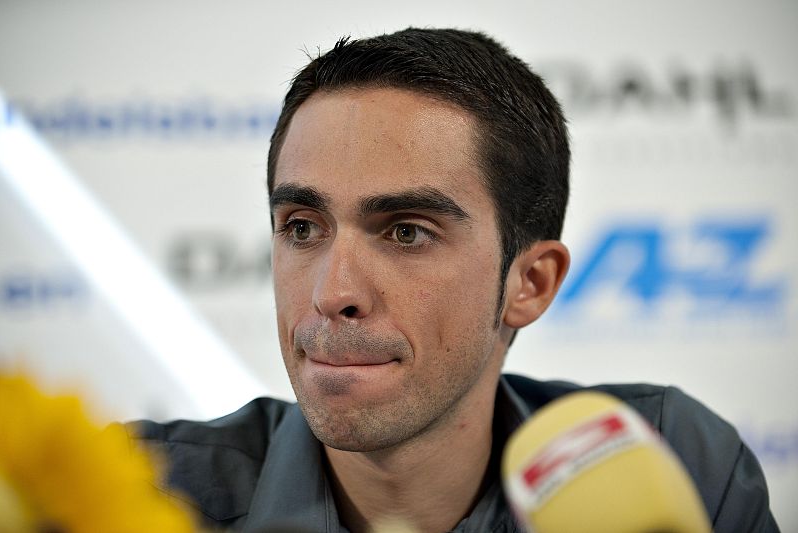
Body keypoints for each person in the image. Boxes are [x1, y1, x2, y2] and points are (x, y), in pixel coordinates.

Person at [129, 28, 779, 532]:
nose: (332, 293)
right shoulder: (129, 496)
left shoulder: (679, 460)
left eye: (406, 232)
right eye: (302, 227)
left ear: (530, 282)